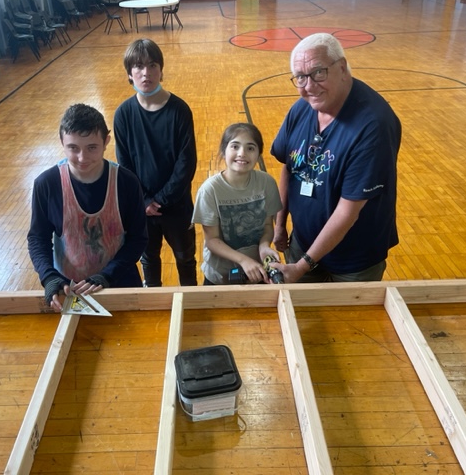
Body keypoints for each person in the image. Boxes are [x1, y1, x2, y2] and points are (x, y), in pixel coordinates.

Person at [270, 33, 401, 283]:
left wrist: (302, 266)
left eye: (319, 72)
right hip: (302, 245)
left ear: (342, 68)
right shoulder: (301, 109)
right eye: (300, 77)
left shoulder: (373, 125)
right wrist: (279, 224)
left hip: (353, 262)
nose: (309, 86)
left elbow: (347, 211)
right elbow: (289, 167)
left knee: (351, 322)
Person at [28, 103, 148, 312]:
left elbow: (138, 239)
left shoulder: (126, 182)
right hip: (69, 288)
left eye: (91, 147)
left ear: (106, 142)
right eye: (73, 148)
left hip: (119, 281)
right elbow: (38, 238)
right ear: (62, 143)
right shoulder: (46, 184)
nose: (82, 158)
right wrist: (48, 276)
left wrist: (107, 274)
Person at [113, 38, 198, 287]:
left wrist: (160, 199)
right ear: (130, 73)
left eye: (152, 65)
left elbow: (186, 163)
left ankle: (192, 302)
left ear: (161, 69)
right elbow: (124, 164)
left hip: (177, 207)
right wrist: (145, 200)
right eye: (138, 66)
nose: (146, 72)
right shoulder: (123, 114)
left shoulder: (180, 110)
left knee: (185, 259)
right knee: (148, 260)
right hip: (142, 209)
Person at [192, 123, 283, 285]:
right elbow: (212, 240)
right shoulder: (210, 190)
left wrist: (264, 246)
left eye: (250, 148)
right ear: (224, 150)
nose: (242, 154)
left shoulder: (267, 183)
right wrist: (243, 260)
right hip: (220, 276)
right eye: (235, 146)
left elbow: (268, 225)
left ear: (258, 153)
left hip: (257, 271)